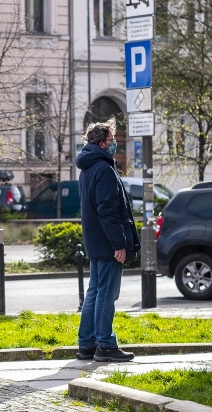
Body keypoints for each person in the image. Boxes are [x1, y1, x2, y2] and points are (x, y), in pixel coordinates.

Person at [75, 119, 139, 363]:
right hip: (107, 242)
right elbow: (108, 211)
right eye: (112, 141)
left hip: (94, 240)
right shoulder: (104, 169)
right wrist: (119, 244)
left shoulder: (88, 168)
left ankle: (87, 344)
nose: (115, 146)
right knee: (106, 294)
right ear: (102, 143)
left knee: (94, 292)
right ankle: (105, 344)